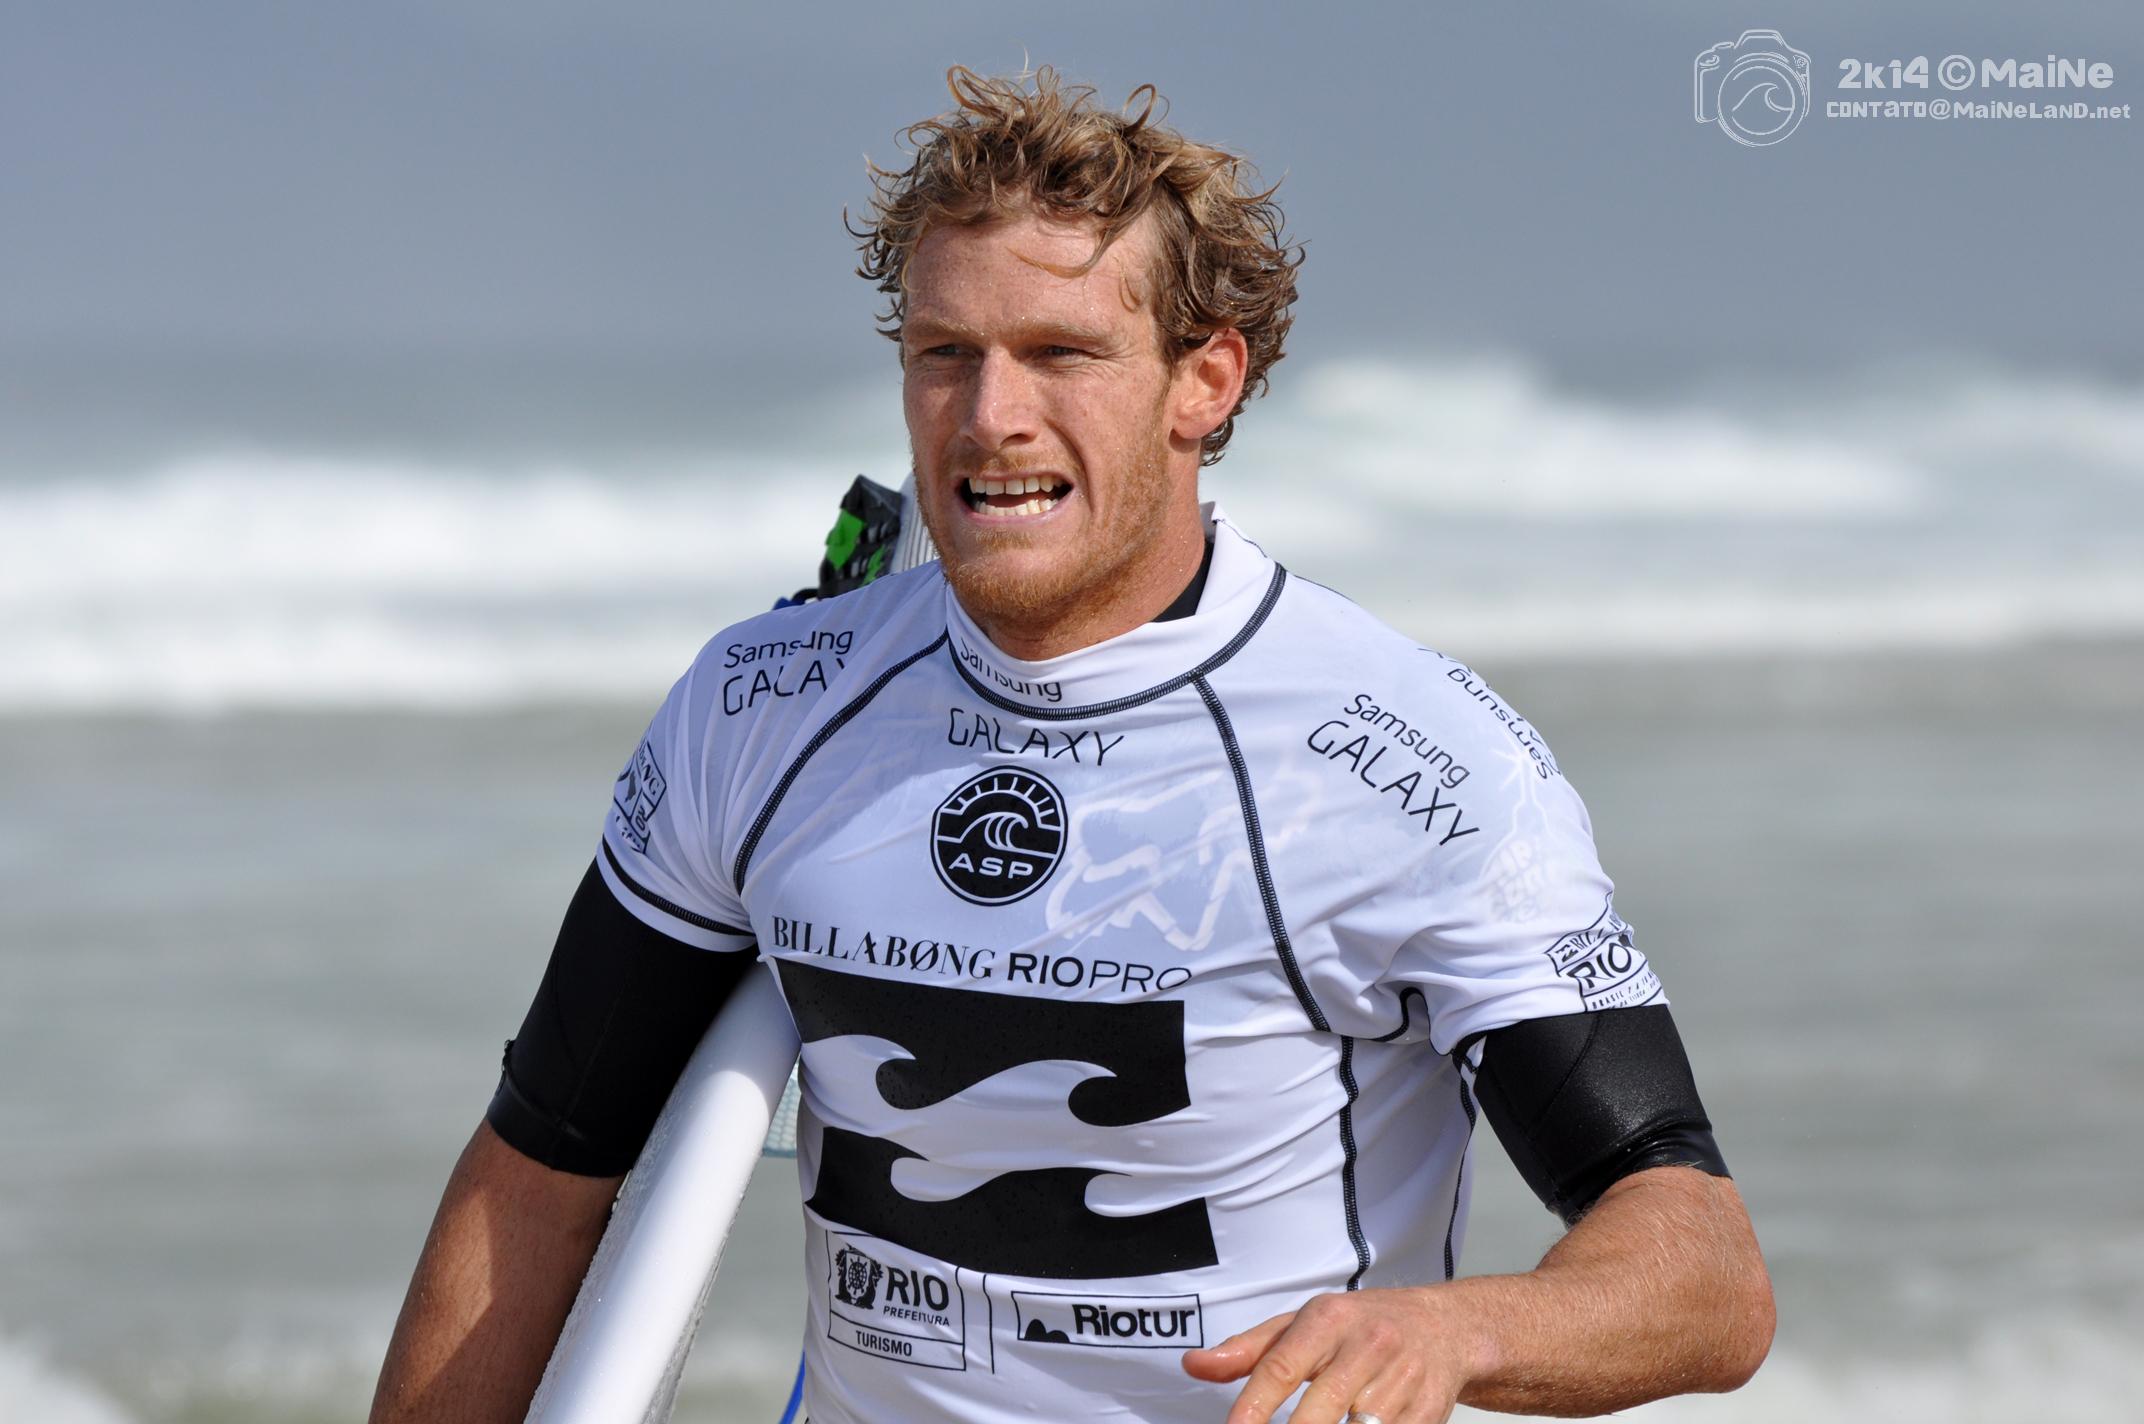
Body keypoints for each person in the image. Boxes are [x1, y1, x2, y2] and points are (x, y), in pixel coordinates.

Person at [369, 68, 1773, 1424]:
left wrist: (1455, 1332)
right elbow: (540, 1171)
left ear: (1204, 381)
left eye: (1060, 354)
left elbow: (1703, 1268)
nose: (991, 418)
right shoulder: (766, 708)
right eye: (945, 354)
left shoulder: (1403, 766)